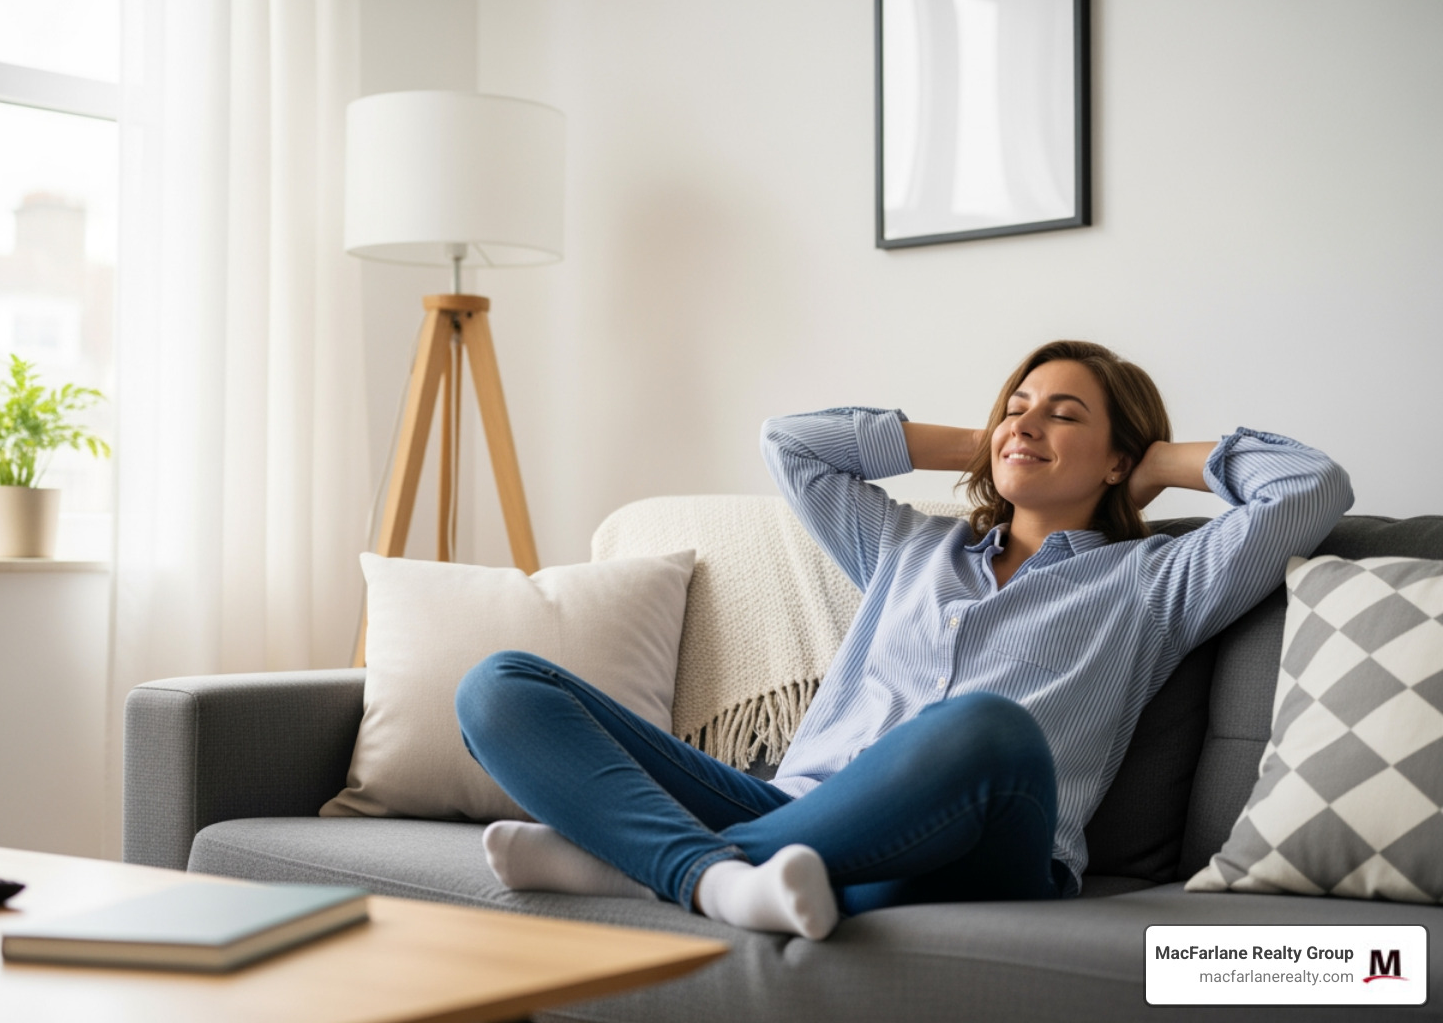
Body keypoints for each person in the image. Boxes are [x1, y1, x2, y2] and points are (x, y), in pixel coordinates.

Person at [455, 340, 1353, 941]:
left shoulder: (1158, 578)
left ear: (1118, 458)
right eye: (1018, 404)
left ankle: (637, 861)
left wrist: (1156, 459)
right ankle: (718, 879)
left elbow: (1310, 487)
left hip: (990, 840)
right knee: (502, 684)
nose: (1027, 422)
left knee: (985, 728)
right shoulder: (905, 546)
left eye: (1065, 415)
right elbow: (791, 444)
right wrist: (985, 438)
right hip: (791, 813)